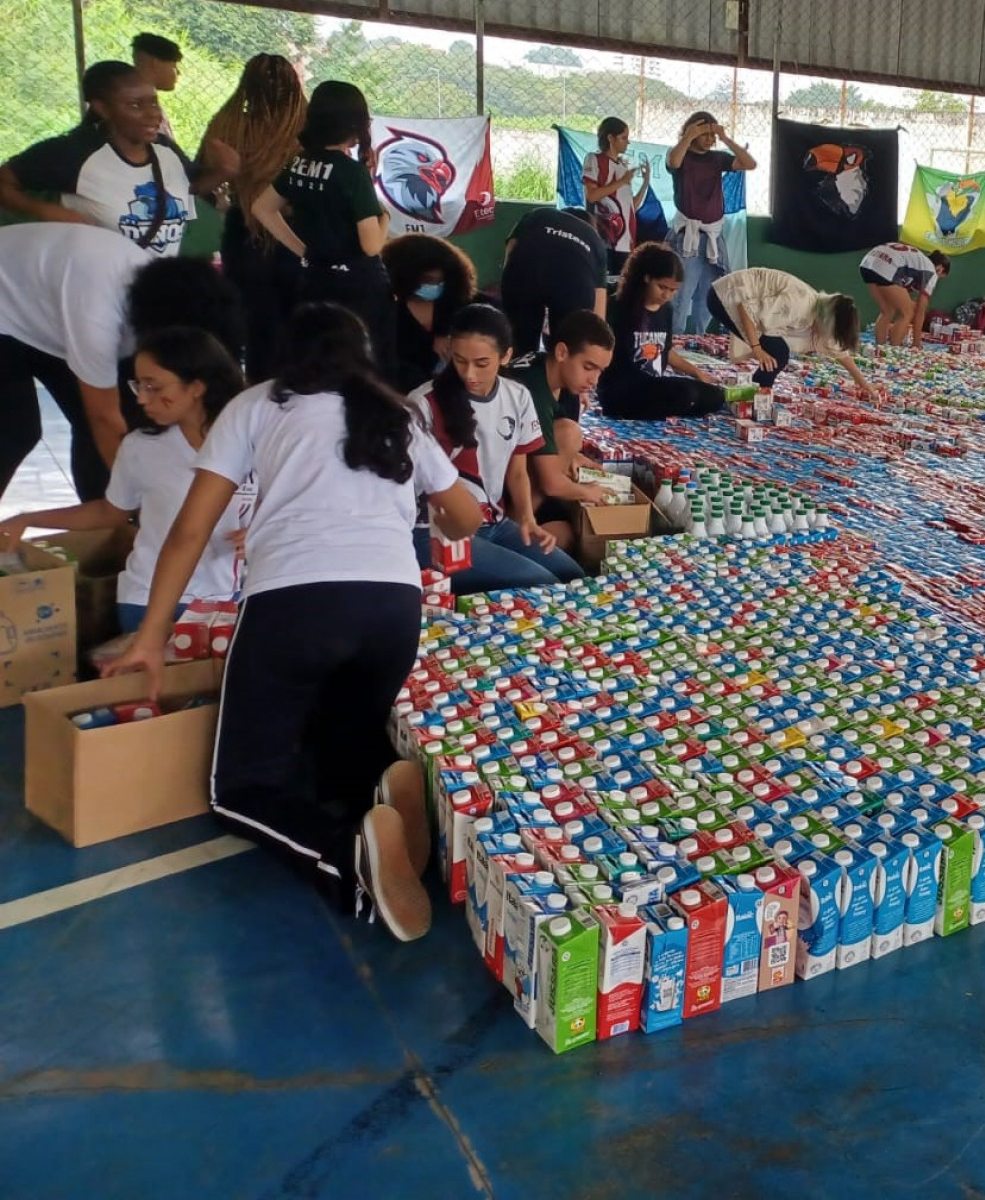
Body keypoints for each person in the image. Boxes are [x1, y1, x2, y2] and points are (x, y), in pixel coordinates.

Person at [105, 303, 482, 943]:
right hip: (393, 605)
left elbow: (187, 533)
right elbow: (467, 516)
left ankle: (345, 856)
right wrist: (439, 522)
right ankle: (379, 787)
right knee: (338, 746)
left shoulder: (254, 406)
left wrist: (150, 638)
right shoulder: (397, 414)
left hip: (295, 601)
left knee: (240, 789)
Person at [0, 328, 250, 633]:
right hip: (149, 600)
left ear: (196, 387)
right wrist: (29, 518)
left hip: (233, 600)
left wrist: (263, 529)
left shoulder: (253, 443)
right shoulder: (140, 448)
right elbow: (111, 512)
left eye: (153, 386)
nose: (142, 399)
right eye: (138, 385)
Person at [0, 225, 243, 500]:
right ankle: (113, 518)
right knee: (16, 429)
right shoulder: (99, 318)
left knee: (119, 420)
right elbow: (103, 418)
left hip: (42, 306)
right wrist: (142, 505)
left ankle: (104, 526)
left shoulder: (167, 291)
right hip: (9, 305)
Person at [408, 303, 584, 591]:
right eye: (460, 360)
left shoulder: (517, 397)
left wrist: (527, 519)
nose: (469, 374)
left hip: (495, 524)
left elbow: (517, 472)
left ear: (506, 356)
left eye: (481, 363)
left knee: (574, 577)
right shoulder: (423, 404)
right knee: (545, 585)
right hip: (439, 533)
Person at [0, 61, 236, 255]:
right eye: (135, 105)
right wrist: (45, 210)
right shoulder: (74, 153)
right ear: (102, 108)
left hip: (154, 287)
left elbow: (189, 187)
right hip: (96, 284)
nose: (152, 114)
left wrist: (223, 172)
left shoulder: (164, 149)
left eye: (154, 102)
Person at [249, 81, 395, 378]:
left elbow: (261, 208)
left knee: (318, 363)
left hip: (314, 278)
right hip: (358, 286)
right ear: (355, 123)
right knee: (364, 367)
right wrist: (385, 218)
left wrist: (302, 250)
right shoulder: (352, 173)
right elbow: (371, 245)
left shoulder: (299, 163)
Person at [203, 53, 307, 380]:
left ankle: (263, 394)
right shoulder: (306, 125)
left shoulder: (229, 124)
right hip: (289, 232)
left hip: (248, 230)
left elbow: (203, 183)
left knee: (260, 325)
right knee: (295, 321)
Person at [510, 310, 617, 550]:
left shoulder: (543, 367)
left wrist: (574, 457)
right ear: (561, 352)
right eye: (588, 367)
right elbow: (550, 483)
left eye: (600, 370)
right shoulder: (533, 391)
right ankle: (513, 527)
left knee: (565, 535)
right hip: (496, 490)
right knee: (570, 434)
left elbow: (546, 436)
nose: (594, 380)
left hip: (512, 473)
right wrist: (589, 492)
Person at [598, 244, 726, 420]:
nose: (667, 295)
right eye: (662, 287)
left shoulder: (666, 310)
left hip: (653, 387)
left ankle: (662, 409)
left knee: (716, 396)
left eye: (673, 290)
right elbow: (606, 355)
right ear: (646, 278)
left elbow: (667, 351)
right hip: (623, 389)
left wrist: (697, 373)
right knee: (684, 393)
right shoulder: (618, 307)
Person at [706, 265, 875, 397]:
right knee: (777, 352)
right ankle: (758, 394)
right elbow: (746, 309)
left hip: (733, 296)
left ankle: (757, 391)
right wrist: (757, 348)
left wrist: (861, 381)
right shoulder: (800, 305)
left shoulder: (817, 309)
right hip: (723, 297)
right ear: (828, 323)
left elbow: (838, 350)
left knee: (776, 349)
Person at [667, 111, 757, 337]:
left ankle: (699, 338)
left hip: (714, 235)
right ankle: (674, 340)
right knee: (682, 291)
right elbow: (673, 161)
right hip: (688, 235)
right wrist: (688, 137)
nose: (710, 138)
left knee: (709, 291)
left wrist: (725, 138)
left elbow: (750, 163)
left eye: (712, 135)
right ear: (691, 132)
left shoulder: (717, 158)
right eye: (704, 134)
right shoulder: (681, 155)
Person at [499, 204, 610, 358]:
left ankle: (513, 371)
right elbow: (598, 317)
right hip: (575, 284)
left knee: (518, 342)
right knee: (567, 348)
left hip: (525, 269)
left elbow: (511, 249)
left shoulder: (539, 214)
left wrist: (508, 287)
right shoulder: (594, 240)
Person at [384, 234, 478, 394]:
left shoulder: (455, 302)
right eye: (428, 280)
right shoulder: (388, 309)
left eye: (440, 281)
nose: (434, 286)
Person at [583, 117, 648, 275]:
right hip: (605, 239)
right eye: (624, 138)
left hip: (626, 241)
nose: (627, 142)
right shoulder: (595, 160)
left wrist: (646, 183)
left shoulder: (622, 167)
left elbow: (632, 206)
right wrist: (622, 181)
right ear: (610, 138)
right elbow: (592, 196)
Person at [860, 243, 950, 348]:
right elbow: (920, 311)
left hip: (867, 263)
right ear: (940, 268)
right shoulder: (931, 271)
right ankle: (894, 349)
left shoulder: (917, 261)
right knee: (907, 313)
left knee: (887, 311)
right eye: (940, 277)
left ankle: (880, 348)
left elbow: (902, 291)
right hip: (886, 266)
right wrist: (916, 343)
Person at [131, 33, 183, 140]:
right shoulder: (139, 106)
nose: (178, 72)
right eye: (174, 65)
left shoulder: (140, 100)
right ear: (156, 64)